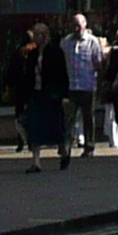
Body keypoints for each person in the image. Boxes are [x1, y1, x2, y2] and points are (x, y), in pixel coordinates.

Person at [16, 21, 67, 171]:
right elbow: (28, 78)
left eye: (38, 34)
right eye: (34, 34)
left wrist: (64, 95)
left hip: (52, 95)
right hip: (36, 95)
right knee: (34, 127)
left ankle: (63, 150)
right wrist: (25, 98)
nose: (35, 37)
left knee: (55, 126)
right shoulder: (32, 54)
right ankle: (36, 162)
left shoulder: (56, 52)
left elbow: (62, 75)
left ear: (45, 36)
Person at [60, 13, 107, 160]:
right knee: (69, 118)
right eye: (73, 25)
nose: (76, 28)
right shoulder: (66, 42)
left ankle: (89, 146)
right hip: (71, 86)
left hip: (88, 86)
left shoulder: (92, 41)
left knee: (88, 118)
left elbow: (98, 65)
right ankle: (66, 147)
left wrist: (100, 84)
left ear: (85, 25)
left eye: (78, 25)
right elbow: (61, 64)